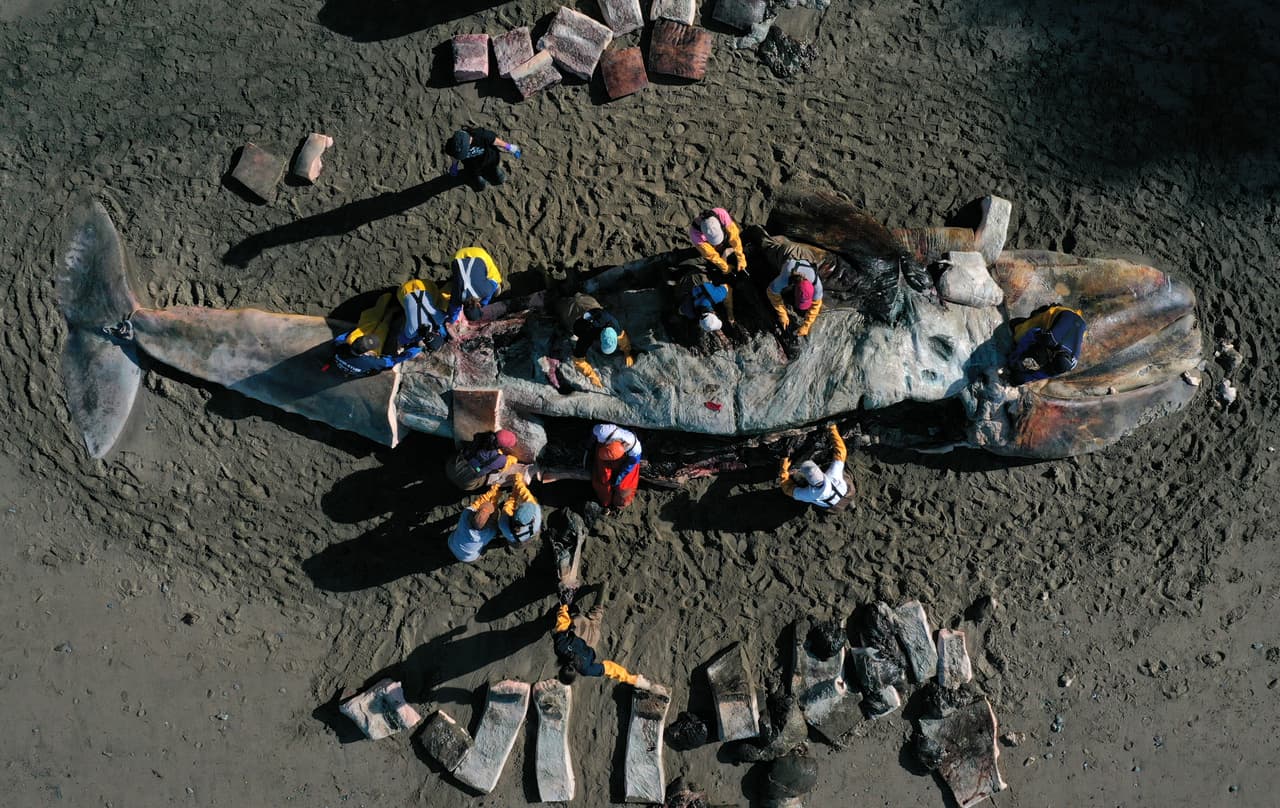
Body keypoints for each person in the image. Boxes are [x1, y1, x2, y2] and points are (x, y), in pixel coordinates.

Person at [552, 582, 653, 689]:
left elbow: (609, 669)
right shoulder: (560, 648)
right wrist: (563, 607)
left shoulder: (585, 669)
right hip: (579, 625)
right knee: (570, 622)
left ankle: (601, 591)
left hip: (592, 638)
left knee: (596, 615)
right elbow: (562, 624)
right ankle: (578, 603)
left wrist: (632, 679)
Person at [330, 291, 421, 378]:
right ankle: (389, 313)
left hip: (350, 361)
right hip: (362, 370)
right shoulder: (371, 362)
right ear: (366, 353)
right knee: (383, 330)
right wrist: (416, 348)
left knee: (370, 325)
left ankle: (387, 311)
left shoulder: (339, 347)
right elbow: (392, 361)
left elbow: (339, 339)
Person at [555, 293, 635, 388]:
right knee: (559, 304)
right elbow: (578, 360)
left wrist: (627, 351)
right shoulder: (588, 334)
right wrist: (592, 375)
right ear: (600, 340)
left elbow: (622, 337)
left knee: (577, 296)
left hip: (587, 300)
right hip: (570, 312)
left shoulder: (613, 324)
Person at [1006, 304, 1087, 385]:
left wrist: (1024, 378)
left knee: (1041, 357)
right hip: (1062, 313)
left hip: (1081, 326)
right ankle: (1042, 311)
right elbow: (1031, 334)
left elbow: (1048, 373)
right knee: (1018, 335)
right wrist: (1015, 356)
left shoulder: (1071, 364)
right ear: (1054, 355)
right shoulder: (1050, 338)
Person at [779, 424, 854, 510]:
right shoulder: (835, 477)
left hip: (827, 505)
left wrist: (784, 468)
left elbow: (786, 489)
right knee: (842, 470)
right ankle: (849, 501)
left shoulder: (807, 495)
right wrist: (832, 429)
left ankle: (842, 506)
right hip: (842, 490)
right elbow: (842, 452)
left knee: (794, 476)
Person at [444, 127, 522, 189]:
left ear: (469, 140)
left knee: (495, 170)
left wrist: (510, 147)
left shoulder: (481, 135)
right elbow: (454, 157)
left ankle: (496, 172)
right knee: (479, 181)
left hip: (490, 159)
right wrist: (454, 166)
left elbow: (495, 141)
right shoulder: (451, 146)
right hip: (472, 166)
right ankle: (479, 179)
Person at [446, 429, 520, 492]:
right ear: (502, 446)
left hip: (451, 468)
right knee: (490, 471)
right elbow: (510, 462)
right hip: (465, 484)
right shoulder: (499, 459)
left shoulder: (479, 437)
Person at [446, 246, 504, 324]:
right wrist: (451, 321)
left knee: (496, 282)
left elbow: (494, 284)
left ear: (478, 305)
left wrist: (484, 302)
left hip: (474, 254)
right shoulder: (457, 297)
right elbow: (453, 309)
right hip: (456, 258)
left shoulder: (485, 291)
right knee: (456, 282)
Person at [591, 423, 642, 509]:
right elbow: (593, 433)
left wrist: (619, 478)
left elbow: (630, 466)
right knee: (603, 479)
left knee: (625, 487)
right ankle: (605, 501)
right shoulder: (603, 431)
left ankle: (619, 504)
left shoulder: (635, 448)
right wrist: (588, 446)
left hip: (627, 459)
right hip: (605, 452)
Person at [446, 485, 502, 563]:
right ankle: (479, 557)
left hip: (451, 543)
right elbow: (494, 522)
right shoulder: (490, 533)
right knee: (481, 552)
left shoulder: (466, 514)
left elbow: (476, 505)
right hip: (466, 558)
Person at [674, 269, 734, 341]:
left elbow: (728, 287)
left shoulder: (715, 296)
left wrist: (729, 311)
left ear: (714, 314)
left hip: (695, 273)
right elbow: (680, 310)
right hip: (681, 282)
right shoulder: (690, 313)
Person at [689, 208, 747, 276]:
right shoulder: (695, 235)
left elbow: (734, 237)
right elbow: (711, 255)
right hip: (708, 245)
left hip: (724, 233)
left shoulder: (721, 214)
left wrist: (740, 257)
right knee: (704, 254)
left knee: (735, 232)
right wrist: (725, 268)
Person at [396, 278, 450, 351]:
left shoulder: (440, 319)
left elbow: (444, 316)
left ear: (437, 334)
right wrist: (415, 342)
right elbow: (401, 340)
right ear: (424, 343)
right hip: (402, 291)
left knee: (439, 305)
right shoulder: (410, 332)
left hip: (420, 284)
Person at [498, 475, 541, 545]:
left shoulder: (503, 524)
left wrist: (515, 489)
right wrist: (519, 483)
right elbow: (527, 496)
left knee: (512, 541)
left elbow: (508, 506)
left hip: (512, 538)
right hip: (528, 535)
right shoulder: (537, 519)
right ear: (533, 519)